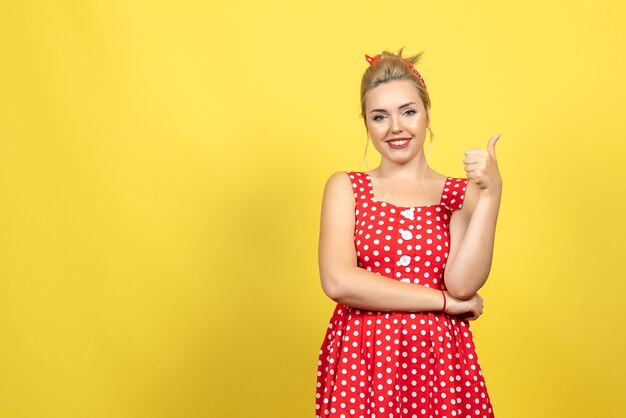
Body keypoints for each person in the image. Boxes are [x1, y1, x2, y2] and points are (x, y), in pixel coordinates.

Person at [315, 48, 501, 418]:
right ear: (366, 124)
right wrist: (444, 303)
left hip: (441, 365)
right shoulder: (346, 188)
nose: (395, 127)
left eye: (408, 111)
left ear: (427, 113)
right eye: (380, 116)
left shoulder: (459, 194)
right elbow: (338, 281)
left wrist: (491, 193)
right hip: (364, 359)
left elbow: (462, 284)